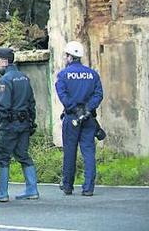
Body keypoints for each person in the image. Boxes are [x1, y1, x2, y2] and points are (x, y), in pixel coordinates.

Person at [55, 40, 104, 197]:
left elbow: (62, 94)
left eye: (66, 55)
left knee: (70, 152)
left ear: (69, 56)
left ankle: (68, 186)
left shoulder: (63, 75)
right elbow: (98, 95)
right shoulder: (92, 74)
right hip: (89, 119)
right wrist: (88, 109)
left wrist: (75, 109)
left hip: (71, 118)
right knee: (88, 152)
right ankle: (88, 188)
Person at [0, 47, 38, 202]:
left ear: (4, 61)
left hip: (9, 125)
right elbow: (31, 102)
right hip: (24, 123)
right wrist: (32, 122)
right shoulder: (24, 77)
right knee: (23, 154)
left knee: (2, 157)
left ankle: (3, 193)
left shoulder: (5, 80)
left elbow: (2, 107)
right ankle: (32, 189)